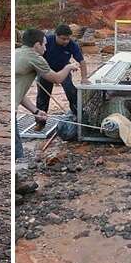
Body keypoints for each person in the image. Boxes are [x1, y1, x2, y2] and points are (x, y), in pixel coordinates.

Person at [15, 28, 79, 169]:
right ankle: (19, 177)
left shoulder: (17, 52)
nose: (45, 47)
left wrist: (36, 111)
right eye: (44, 44)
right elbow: (57, 79)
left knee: (16, 146)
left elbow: (18, 94)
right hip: (11, 111)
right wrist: (69, 67)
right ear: (37, 45)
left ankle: (19, 174)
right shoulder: (35, 57)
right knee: (16, 150)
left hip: (11, 105)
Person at [34, 24, 90, 131]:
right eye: (63, 39)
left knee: (71, 91)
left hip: (64, 68)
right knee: (43, 96)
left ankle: (78, 116)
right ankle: (40, 122)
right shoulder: (46, 41)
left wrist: (84, 78)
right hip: (47, 70)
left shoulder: (72, 45)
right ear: (56, 35)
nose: (66, 41)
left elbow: (82, 61)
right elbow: (37, 57)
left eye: (68, 39)